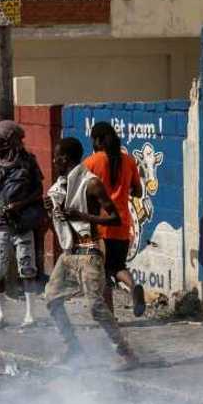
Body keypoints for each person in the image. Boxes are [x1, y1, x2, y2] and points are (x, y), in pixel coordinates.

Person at [45, 137, 139, 370]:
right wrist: (52, 212)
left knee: (96, 306)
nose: (54, 160)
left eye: (57, 156)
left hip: (89, 252)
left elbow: (114, 218)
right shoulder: (59, 187)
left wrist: (84, 217)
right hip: (68, 253)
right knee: (51, 299)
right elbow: (63, 222)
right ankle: (72, 346)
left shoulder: (91, 184)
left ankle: (126, 354)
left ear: (65, 158)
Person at [0, 120, 44, 329]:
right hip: (0, 224)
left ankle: (30, 315)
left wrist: (21, 204)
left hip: (22, 224)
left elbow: (38, 191)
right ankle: (1, 315)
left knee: (27, 269)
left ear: (10, 140)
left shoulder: (28, 162)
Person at [84, 120, 147, 318]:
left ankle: (109, 316)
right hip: (122, 224)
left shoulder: (91, 162)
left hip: (100, 226)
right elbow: (137, 191)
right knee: (118, 266)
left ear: (99, 140)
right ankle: (134, 286)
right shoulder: (128, 160)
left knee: (102, 274)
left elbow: (81, 191)